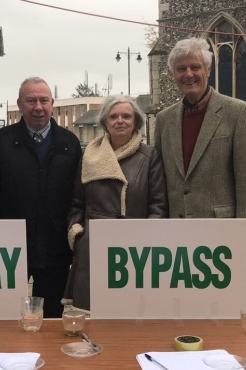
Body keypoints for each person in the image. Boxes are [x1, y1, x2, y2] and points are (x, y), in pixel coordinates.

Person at [0, 77, 81, 318]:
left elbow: (78, 196)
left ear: (52, 103)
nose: (38, 107)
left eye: (44, 100)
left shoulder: (69, 143)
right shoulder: (1, 142)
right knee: (5, 315)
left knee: (52, 317)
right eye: (31, 100)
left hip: (55, 250)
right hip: (10, 250)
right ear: (19, 105)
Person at [154, 37, 246, 247]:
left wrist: (245, 238)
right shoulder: (164, 119)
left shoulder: (238, 112)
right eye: (181, 69)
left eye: (195, 67)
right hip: (174, 234)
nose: (188, 74)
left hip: (221, 235)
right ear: (174, 75)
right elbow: (158, 181)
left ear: (208, 70)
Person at [63, 95, 168, 311]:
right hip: (94, 246)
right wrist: (78, 233)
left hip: (136, 248)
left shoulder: (150, 157)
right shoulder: (89, 157)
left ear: (136, 122)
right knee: (93, 316)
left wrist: (148, 239)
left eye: (126, 116)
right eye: (114, 116)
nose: (120, 121)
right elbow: (76, 202)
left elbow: (158, 205)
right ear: (105, 122)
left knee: (132, 314)